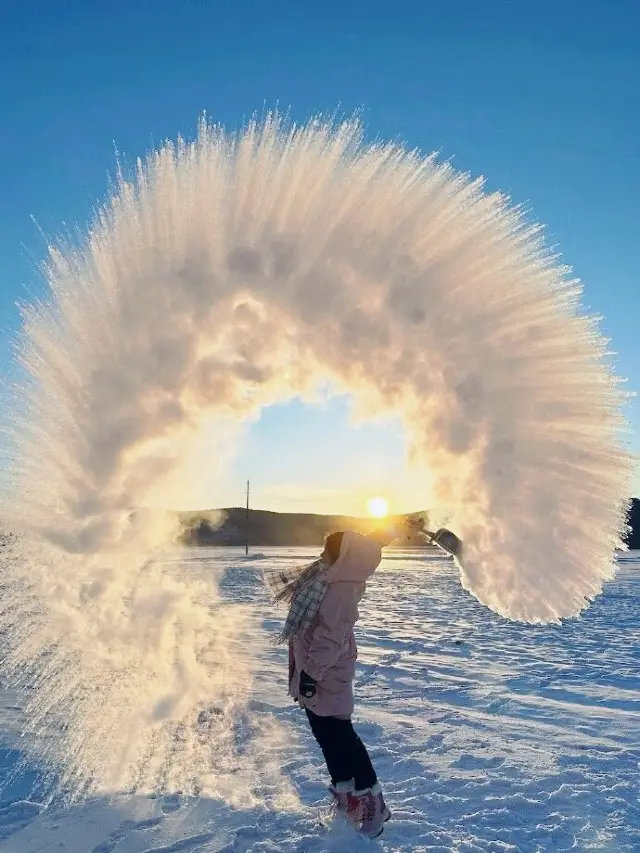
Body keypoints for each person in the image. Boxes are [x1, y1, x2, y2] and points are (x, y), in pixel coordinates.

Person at [265, 528, 395, 837]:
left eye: (327, 549)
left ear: (341, 555)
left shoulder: (339, 589)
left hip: (326, 672)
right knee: (328, 737)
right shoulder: (326, 576)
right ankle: (348, 799)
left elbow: (330, 638)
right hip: (314, 669)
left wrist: (310, 675)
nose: (321, 554)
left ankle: (374, 804)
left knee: (341, 737)